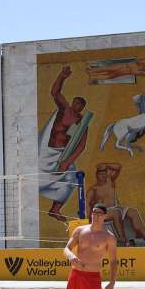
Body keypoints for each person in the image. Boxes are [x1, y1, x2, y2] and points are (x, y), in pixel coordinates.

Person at [39, 65, 91, 222]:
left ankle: (55, 209)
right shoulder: (64, 109)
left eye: (80, 105)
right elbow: (54, 92)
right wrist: (62, 76)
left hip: (63, 154)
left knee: (71, 178)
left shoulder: (82, 123)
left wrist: (67, 162)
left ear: (83, 107)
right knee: (34, 177)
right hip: (47, 151)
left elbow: (81, 146)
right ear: (72, 103)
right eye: (75, 103)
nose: (77, 106)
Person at [86, 162, 145, 244]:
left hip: (116, 207)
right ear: (97, 175)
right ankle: (122, 238)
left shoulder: (110, 181)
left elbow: (118, 167)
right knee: (116, 213)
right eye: (101, 174)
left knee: (133, 212)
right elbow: (88, 205)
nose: (103, 176)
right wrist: (89, 220)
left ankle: (143, 233)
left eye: (105, 173)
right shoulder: (93, 190)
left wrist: (106, 165)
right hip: (104, 212)